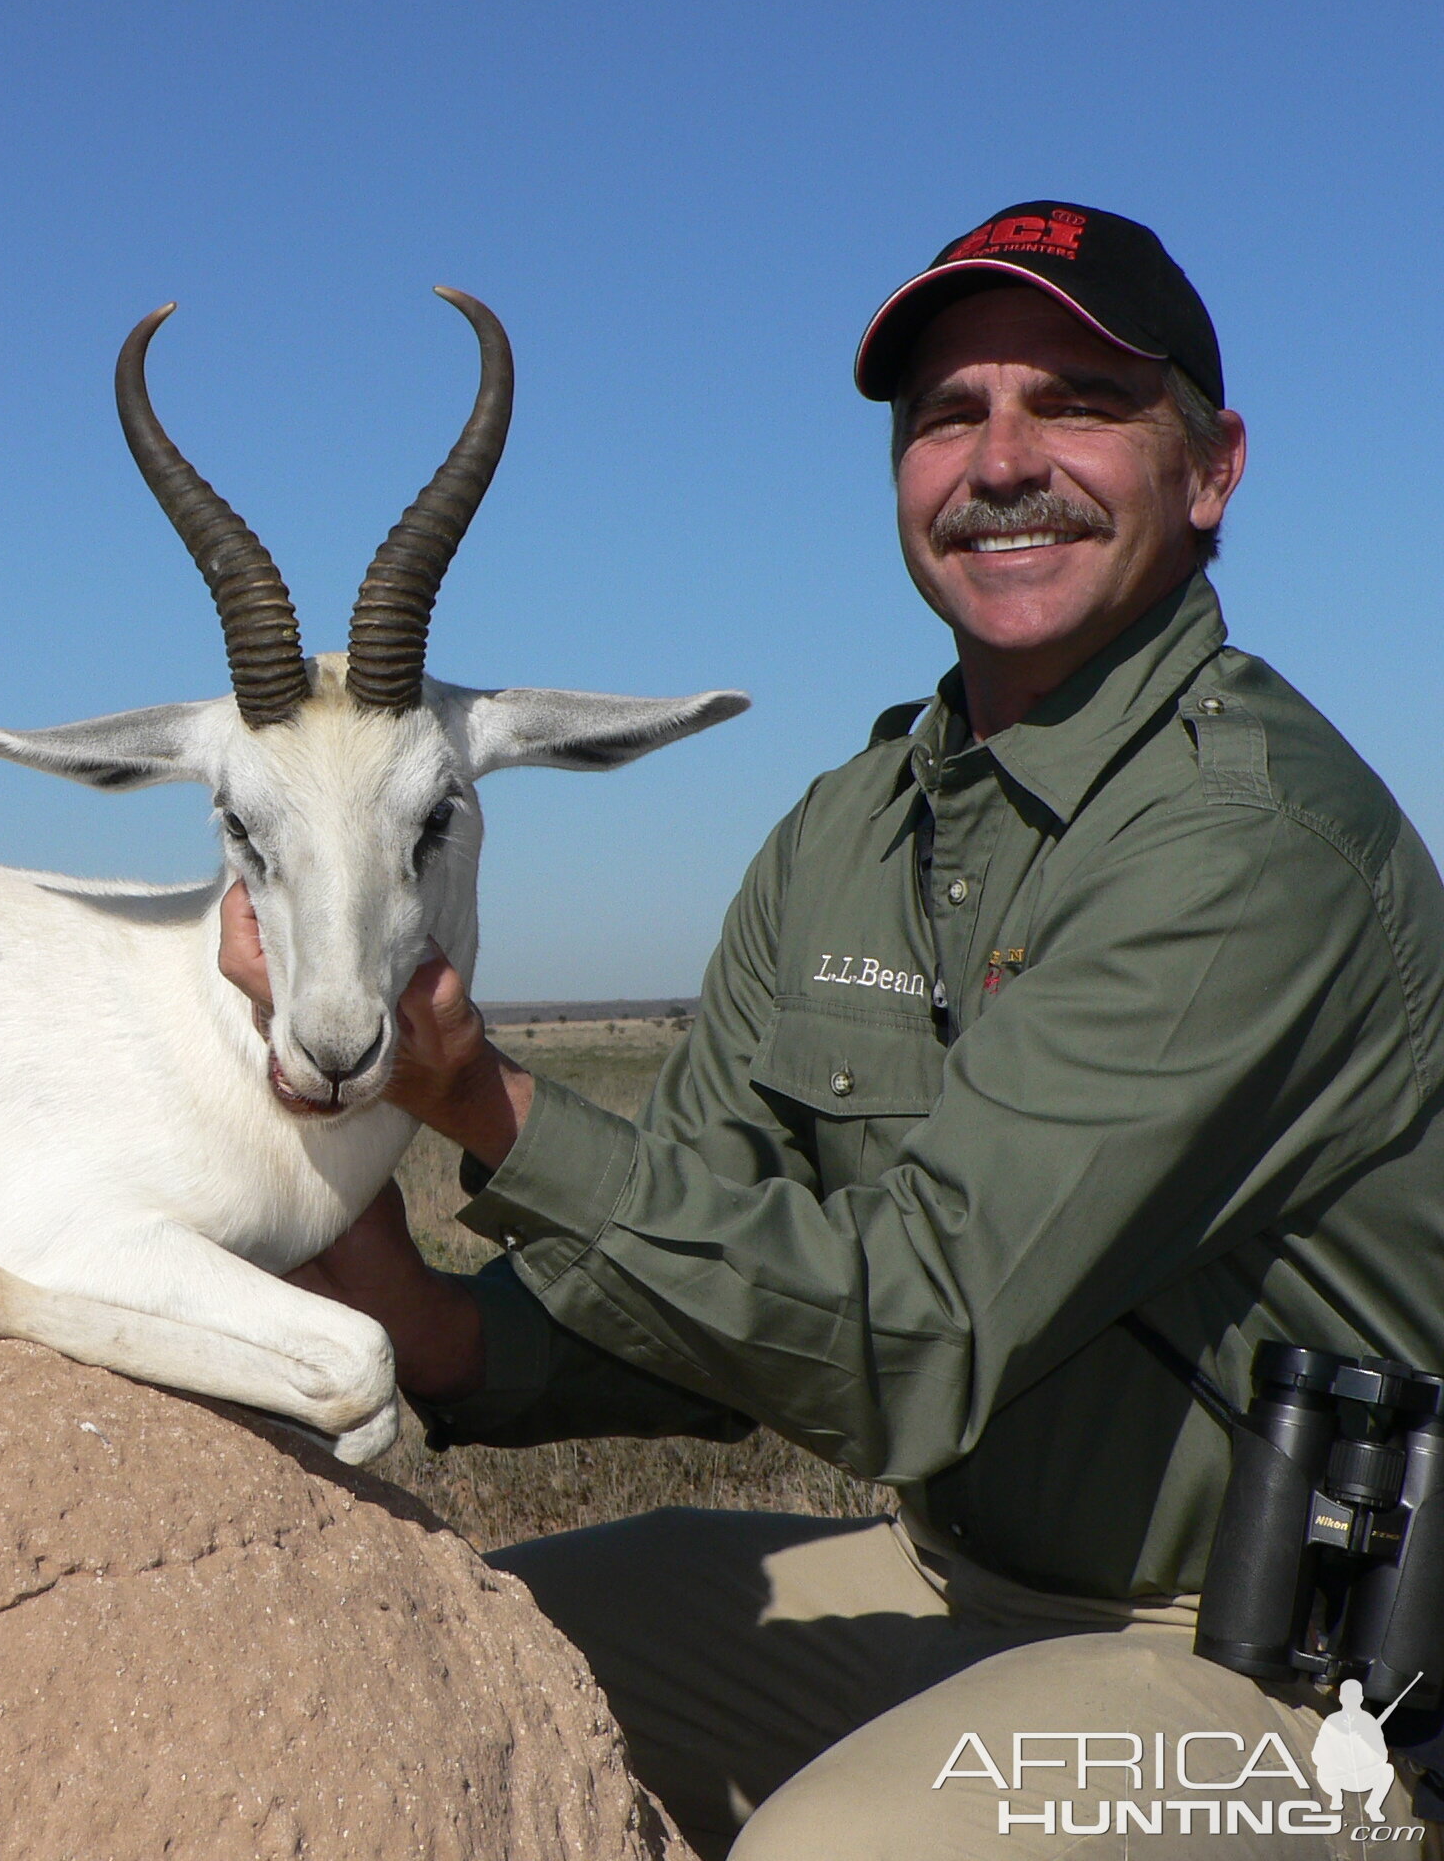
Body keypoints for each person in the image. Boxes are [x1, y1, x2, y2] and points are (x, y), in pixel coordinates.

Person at [220, 202, 1444, 1858]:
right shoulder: (850, 829)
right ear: (902, 482)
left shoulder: (1249, 849)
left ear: (1212, 468)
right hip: (953, 1583)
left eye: (1077, 402)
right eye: (950, 417)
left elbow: (905, 1338)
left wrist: (487, 1103)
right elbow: (710, 1262)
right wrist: (434, 1323)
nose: (1003, 460)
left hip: (1279, 1682)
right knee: (431, 1666)